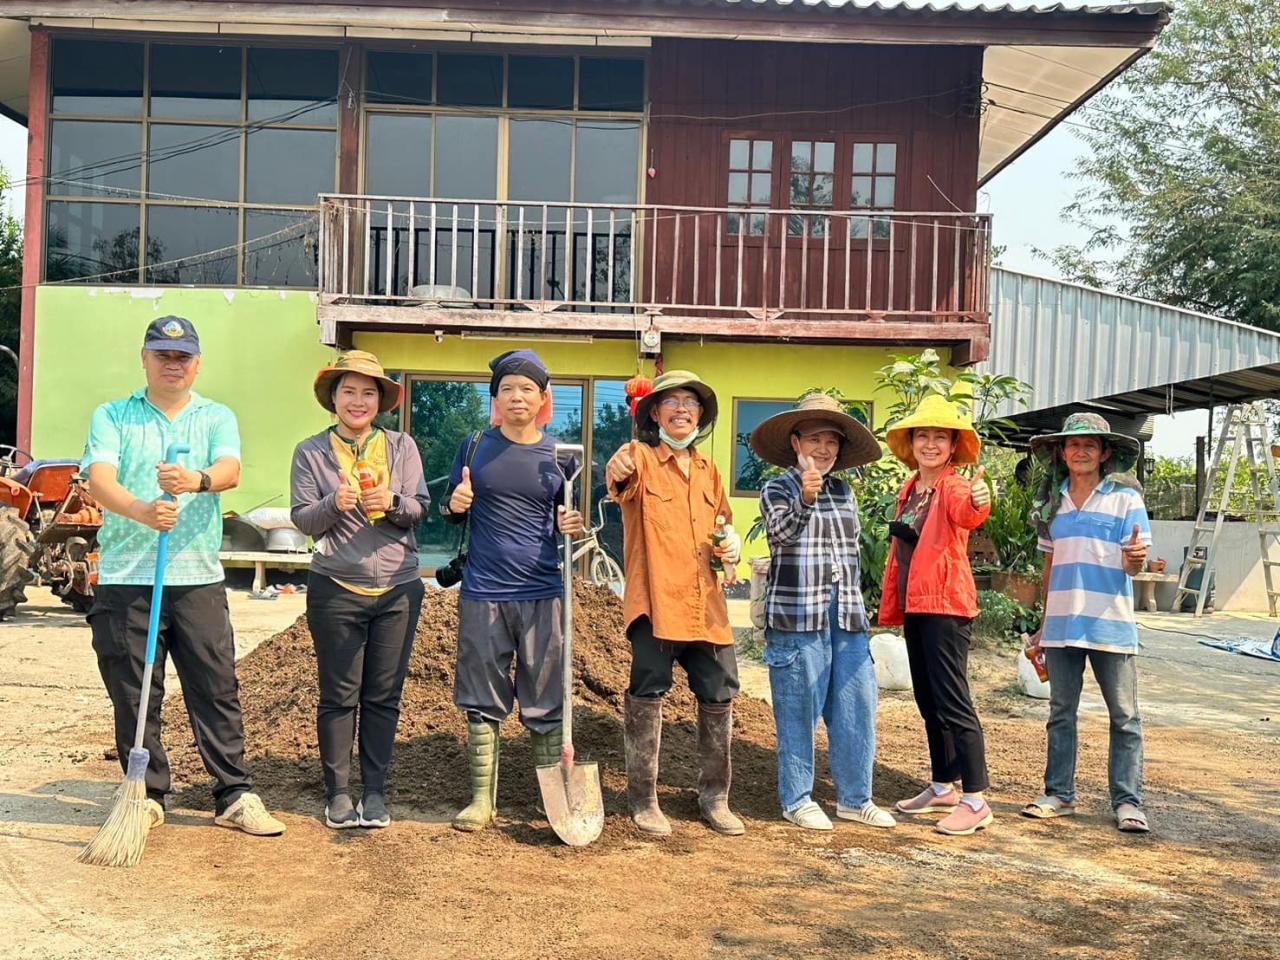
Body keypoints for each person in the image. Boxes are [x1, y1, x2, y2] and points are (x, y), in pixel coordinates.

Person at [82, 316, 284, 837]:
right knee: (134, 693)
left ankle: (234, 793)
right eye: (162, 355)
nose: (172, 365)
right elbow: (99, 479)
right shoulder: (114, 415)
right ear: (144, 359)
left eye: (182, 357)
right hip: (128, 577)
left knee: (214, 686)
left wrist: (196, 480)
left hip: (196, 577)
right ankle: (147, 795)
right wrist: (141, 511)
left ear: (197, 364)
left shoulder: (216, 416)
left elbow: (230, 469)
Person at [441, 350, 585, 832]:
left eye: (526, 389)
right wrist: (455, 504)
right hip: (484, 591)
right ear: (495, 399)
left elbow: (572, 520)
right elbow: (450, 511)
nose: (516, 397)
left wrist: (572, 523)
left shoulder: (560, 458)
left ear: (543, 399)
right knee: (481, 693)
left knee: (546, 694)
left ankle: (552, 799)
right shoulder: (474, 447)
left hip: (543, 590)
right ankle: (482, 799)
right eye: (507, 389)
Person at [290, 350, 431, 829]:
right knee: (338, 695)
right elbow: (303, 519)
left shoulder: (401, 447)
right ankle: (338, 794)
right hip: (335, 587)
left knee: (384, 696)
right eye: (348, 391)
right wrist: (334, 502)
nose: (358, 400)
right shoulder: (311, 452)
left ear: (380, 401)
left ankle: (374, 793)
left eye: (368, 392)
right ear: (333, 398)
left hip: (398, 589)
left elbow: (419, 508)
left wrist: (392, 501)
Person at [605, 370, 744, 837]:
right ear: (655, 414)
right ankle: (644, 799)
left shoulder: (709, 470)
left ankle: (715, 798)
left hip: (706, 603)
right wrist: (619, 464)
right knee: (648, 691)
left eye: (690, 402)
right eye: (671, 402)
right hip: (655, 600)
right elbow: (618, 477)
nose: (682, 409)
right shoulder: (640, 458)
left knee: (719, 690)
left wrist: (730, 546)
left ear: (700, 415)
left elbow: (722, 523)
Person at [749, 392, 895, 831]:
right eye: (815, 439)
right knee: (798, 708)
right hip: (797, 615)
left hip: (845, 613)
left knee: (856, 707)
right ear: (796, 443)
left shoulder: (844, 492)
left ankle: (855, 798)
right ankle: (796, 798)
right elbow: (780, 535)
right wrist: (805, 499)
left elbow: (849, 556)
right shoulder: (777, 489)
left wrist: (859, 611)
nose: (824, 449)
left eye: (832, 441)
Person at [1022, 413, 1152, 833]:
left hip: (1111, 624)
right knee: (1061, 712)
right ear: (1062, 452)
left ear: (1104, 453)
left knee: (1125, 716)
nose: (1081, 451)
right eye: (1074, 444)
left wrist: (1135, 560)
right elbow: (1049, 566)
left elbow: (1134, 563)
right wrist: (1043, 625)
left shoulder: (1125, 499)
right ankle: (1059, 794)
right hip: (1061, 626)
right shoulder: (1051, 504)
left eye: (1090, 445)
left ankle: (1128, 802)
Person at [879, 394, 994, 836]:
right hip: (917, 603)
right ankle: (943, 785)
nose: (930, 444)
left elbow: (968, 514)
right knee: (929, 700)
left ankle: (976, 799)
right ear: (912, 443)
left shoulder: (955, 486)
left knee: (953, 700)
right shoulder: (911, 488)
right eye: (922, 436)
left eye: (940, 437)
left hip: (946, 605)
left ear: (952, 446)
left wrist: (980, 499)